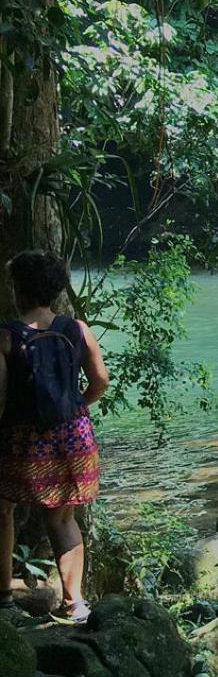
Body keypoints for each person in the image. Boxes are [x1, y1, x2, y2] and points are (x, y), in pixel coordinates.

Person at [0, 250, 109, 623]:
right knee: (63, 520)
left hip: (23, 441)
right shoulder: (77, 329)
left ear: (18, 290)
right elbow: (100, 382)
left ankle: (3, 599)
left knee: (3, 511)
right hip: (74, 437)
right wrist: (76, 408)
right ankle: (74, 605)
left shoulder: (6, 337)